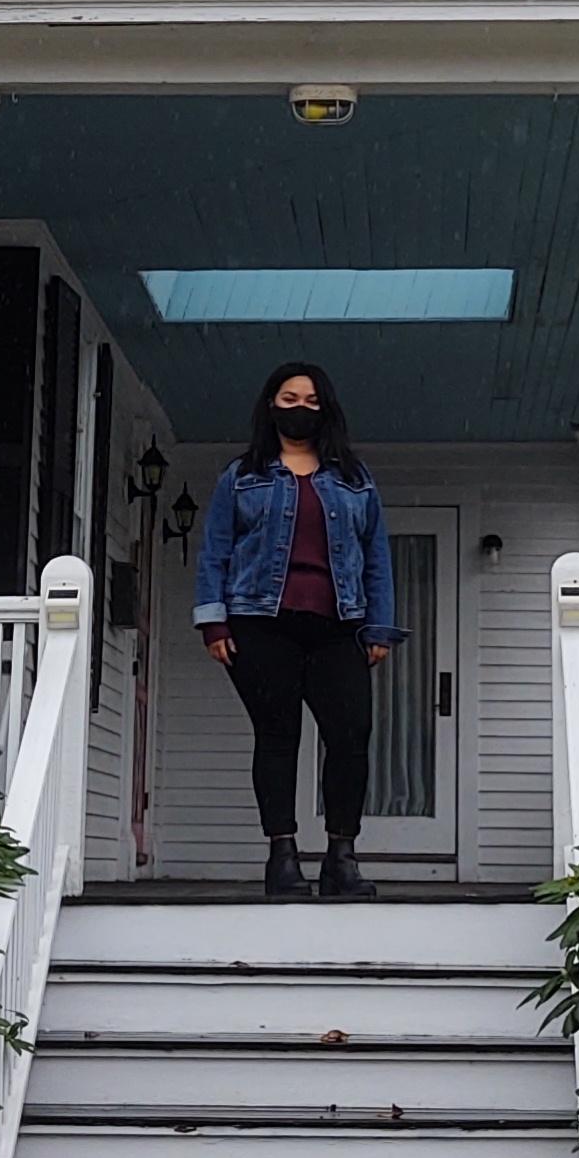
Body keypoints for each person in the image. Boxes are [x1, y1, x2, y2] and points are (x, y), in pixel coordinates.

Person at [195, 358, 400, 899]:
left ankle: (341, 858)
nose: (300, 409)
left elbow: (375, 555)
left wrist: (379, 626)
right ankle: (282, 859)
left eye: (310, 401)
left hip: (341, 626)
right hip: (260, 624)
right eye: (289, 400)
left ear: (325, 408)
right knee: (278, 736)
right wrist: (212, 621)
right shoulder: (242, 476)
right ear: (271, 407)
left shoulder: (354, 481)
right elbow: (215, 550)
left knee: (351, 736)